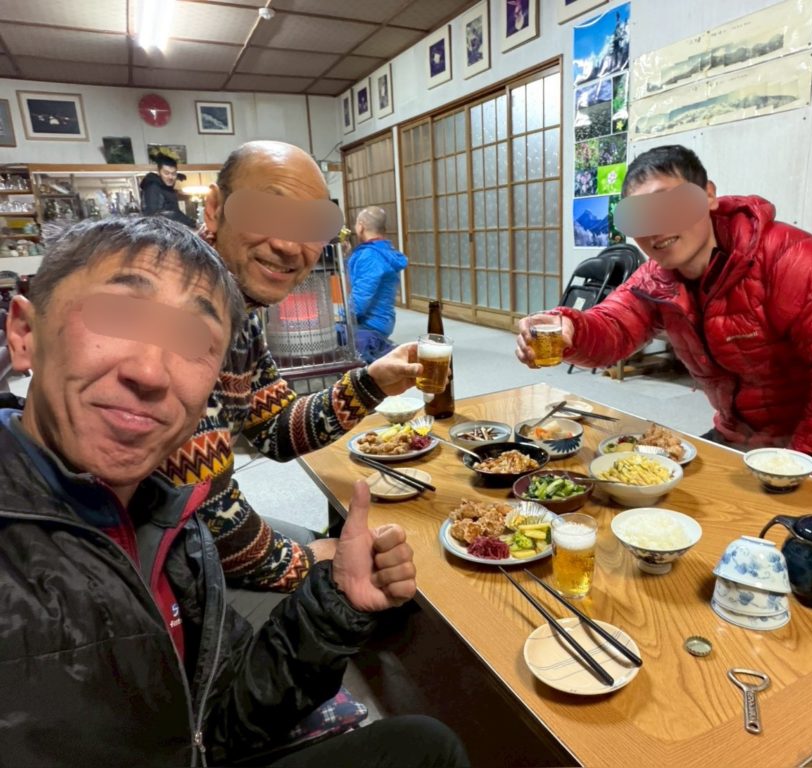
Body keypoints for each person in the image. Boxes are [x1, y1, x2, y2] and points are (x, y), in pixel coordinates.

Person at [0, 216, 467, 766]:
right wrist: (308, 563)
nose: (151, 370)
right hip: (233, 551)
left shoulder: (169, 514)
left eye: (193, 341)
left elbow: (277, 429)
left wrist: (338, 600)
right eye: (119, 316)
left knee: (426, 736)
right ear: (24, 333)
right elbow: (222, 515)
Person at [516, 145, 812, 490]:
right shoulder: (656, 277)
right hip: (737, 435)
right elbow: (614, 326)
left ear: (708, 195)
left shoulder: (796, 260)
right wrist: (572, 329)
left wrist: (797, 465)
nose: (656, 227)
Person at [160, 141, 421, 597]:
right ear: (215, 209)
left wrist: (370, 383)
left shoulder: (236, 308)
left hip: (192, 539)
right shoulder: (177, 308)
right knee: (371, 589)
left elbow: (275, 429)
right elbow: (203, 508)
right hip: (150, 567)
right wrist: (311, 562)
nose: (287, 244)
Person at [341, 206, 408, 363]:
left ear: (361, 226)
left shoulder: (370, 256)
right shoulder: (382, 250)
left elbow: (360, 300)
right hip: (383, 320)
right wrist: (346, 255)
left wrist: (342, 317)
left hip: (370, 325)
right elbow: (357, 277)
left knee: (332, 338)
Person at [140, 154, 195, 227]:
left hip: (169, 229)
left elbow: (175, 211)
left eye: (173, 174)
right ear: (159, 172)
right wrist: (190, 223)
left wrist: (192, 223)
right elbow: (154, 215)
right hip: (159, 231)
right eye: (166, 173)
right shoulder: (153, 187)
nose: (170, 177)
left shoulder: (166, 187)